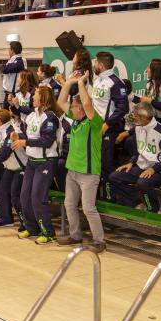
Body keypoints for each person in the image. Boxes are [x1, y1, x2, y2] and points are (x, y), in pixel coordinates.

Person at [56, 71, 106, 252]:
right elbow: (61, 101)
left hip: (89, 173)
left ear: (81, 109)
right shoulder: (76, 121)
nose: (71, 108)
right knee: (69, 204)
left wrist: (81, 83)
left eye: (74, 106)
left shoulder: (94, 122)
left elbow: (86, 102)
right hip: (73, 171)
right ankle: (75, 235)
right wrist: (69, 82)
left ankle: (99, 240)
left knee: (88, 208)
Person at [11, 86, 62, 245]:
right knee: (24, 197)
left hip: (46, 162)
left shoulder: (51, 117)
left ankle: (49, 233)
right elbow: (27, 135)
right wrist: (18, 136)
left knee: (37, 198)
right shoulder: (31, 116)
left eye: (35, 95)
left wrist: (25, 141)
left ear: (43, 99)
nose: (32, 97)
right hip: (32, 162)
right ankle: (32, 228)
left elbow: (47, 141)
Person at [108, 103, 161, 212]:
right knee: (114, 177)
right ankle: (136, 205)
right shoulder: (138, 128)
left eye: (136, 115)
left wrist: (154, 169)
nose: (133, 117)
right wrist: (131, 162)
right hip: (141, 167)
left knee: (143, 182)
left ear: (144, 117)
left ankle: (154, 210)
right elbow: (139, 151)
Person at [91, 51, 129, 177]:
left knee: (107, 164)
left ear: (100, 65)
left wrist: (107, 124)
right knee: (96, 164)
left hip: (109, 129)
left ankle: (111, 196)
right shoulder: (97, 81)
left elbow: (123, 108)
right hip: (95, 126)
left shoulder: (115, 82)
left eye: (95, 62)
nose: (94, 64)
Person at [0, 41, 25, 109]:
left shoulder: (20, 60)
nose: (8, 51)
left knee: (12, 115)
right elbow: (3, 68)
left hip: (14, 94)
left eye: (9, 49)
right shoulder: (12, 60)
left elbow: (5, 69)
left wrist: (3, 67)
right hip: (8, 93)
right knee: (6, 116)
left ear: (12, 50)